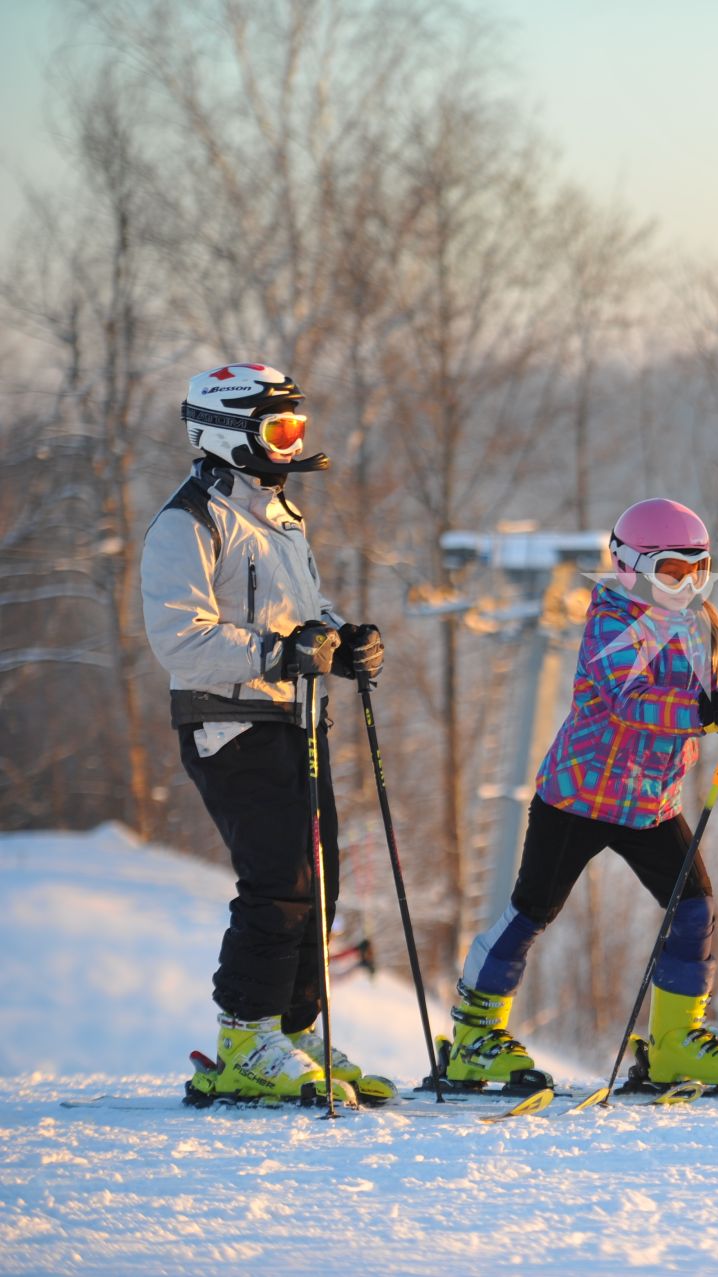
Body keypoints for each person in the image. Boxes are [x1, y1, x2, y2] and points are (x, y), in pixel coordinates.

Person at [445, 498, 718, 1091]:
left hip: (651, 803)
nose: (689, 582)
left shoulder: (702, 621)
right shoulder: (615, 618)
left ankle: (675, 1040)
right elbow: (631, 698)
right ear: (632, 566)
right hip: (581, 795)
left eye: (699, 568)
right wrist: (708, 711)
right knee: (533, 911)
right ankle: (475, 1035)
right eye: (674, 569)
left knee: (695, 907)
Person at [143, 363, 389, 1104]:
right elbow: (179, 637)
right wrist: (277, 654)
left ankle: (293, 1026)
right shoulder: (189, 521)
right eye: (278, 429)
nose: (291, 445)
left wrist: (341, 640)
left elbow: (298, 611)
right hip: (229, 723)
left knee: (322, 880)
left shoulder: (277, 514)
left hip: (294, 716)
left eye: (297, 430)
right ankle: (246, 1036)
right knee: (280, 877)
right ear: (227, 433)